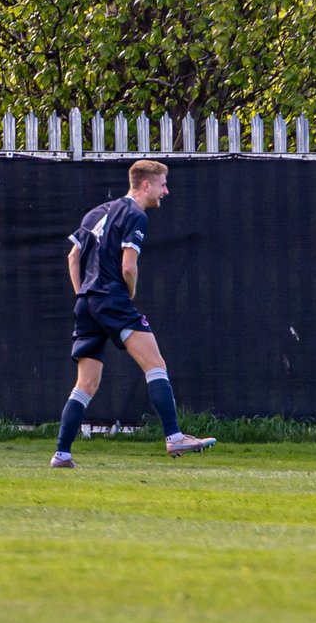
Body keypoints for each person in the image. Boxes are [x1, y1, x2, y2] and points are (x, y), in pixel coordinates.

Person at [50, 159, 216, 468]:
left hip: (86, 302)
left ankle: (62, 454)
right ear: (145, 184)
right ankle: (174, 436)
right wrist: (129, 290)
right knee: (155, 364)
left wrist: (82, 293)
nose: (165, 191)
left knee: (86, 384)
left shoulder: (98, 212)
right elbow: (128, 266)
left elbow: (73, 255)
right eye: (163, 184)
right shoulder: (135, 215)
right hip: (112, 298)